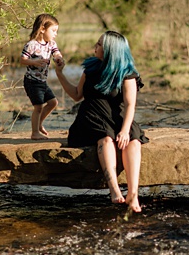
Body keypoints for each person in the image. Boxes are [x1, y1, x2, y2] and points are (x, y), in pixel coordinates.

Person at [54, 30, 148, 213]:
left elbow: (130, 105)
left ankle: (133, 194)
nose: (95, 47)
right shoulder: (90, 68)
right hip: (92, 117)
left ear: (110, 50)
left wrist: (124, 130)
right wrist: (59, 74)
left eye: (99, 44)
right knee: (105, 140)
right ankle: (114, 189)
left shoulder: (127, 73)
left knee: (134, 142)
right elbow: (76, 95)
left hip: (119, 117)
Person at [21, 14, 64, 140]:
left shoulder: (51, 44)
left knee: (53, 102)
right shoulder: (31, 45)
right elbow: (22, 60)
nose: (55, 34)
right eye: (53, 31)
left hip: (42, 81)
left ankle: (39, 124)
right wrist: (34, 62)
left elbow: (56, 53)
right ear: (42, 29)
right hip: (32, 81)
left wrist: (59, 59)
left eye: (56, 31)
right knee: (38, 106)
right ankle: (34, 133)